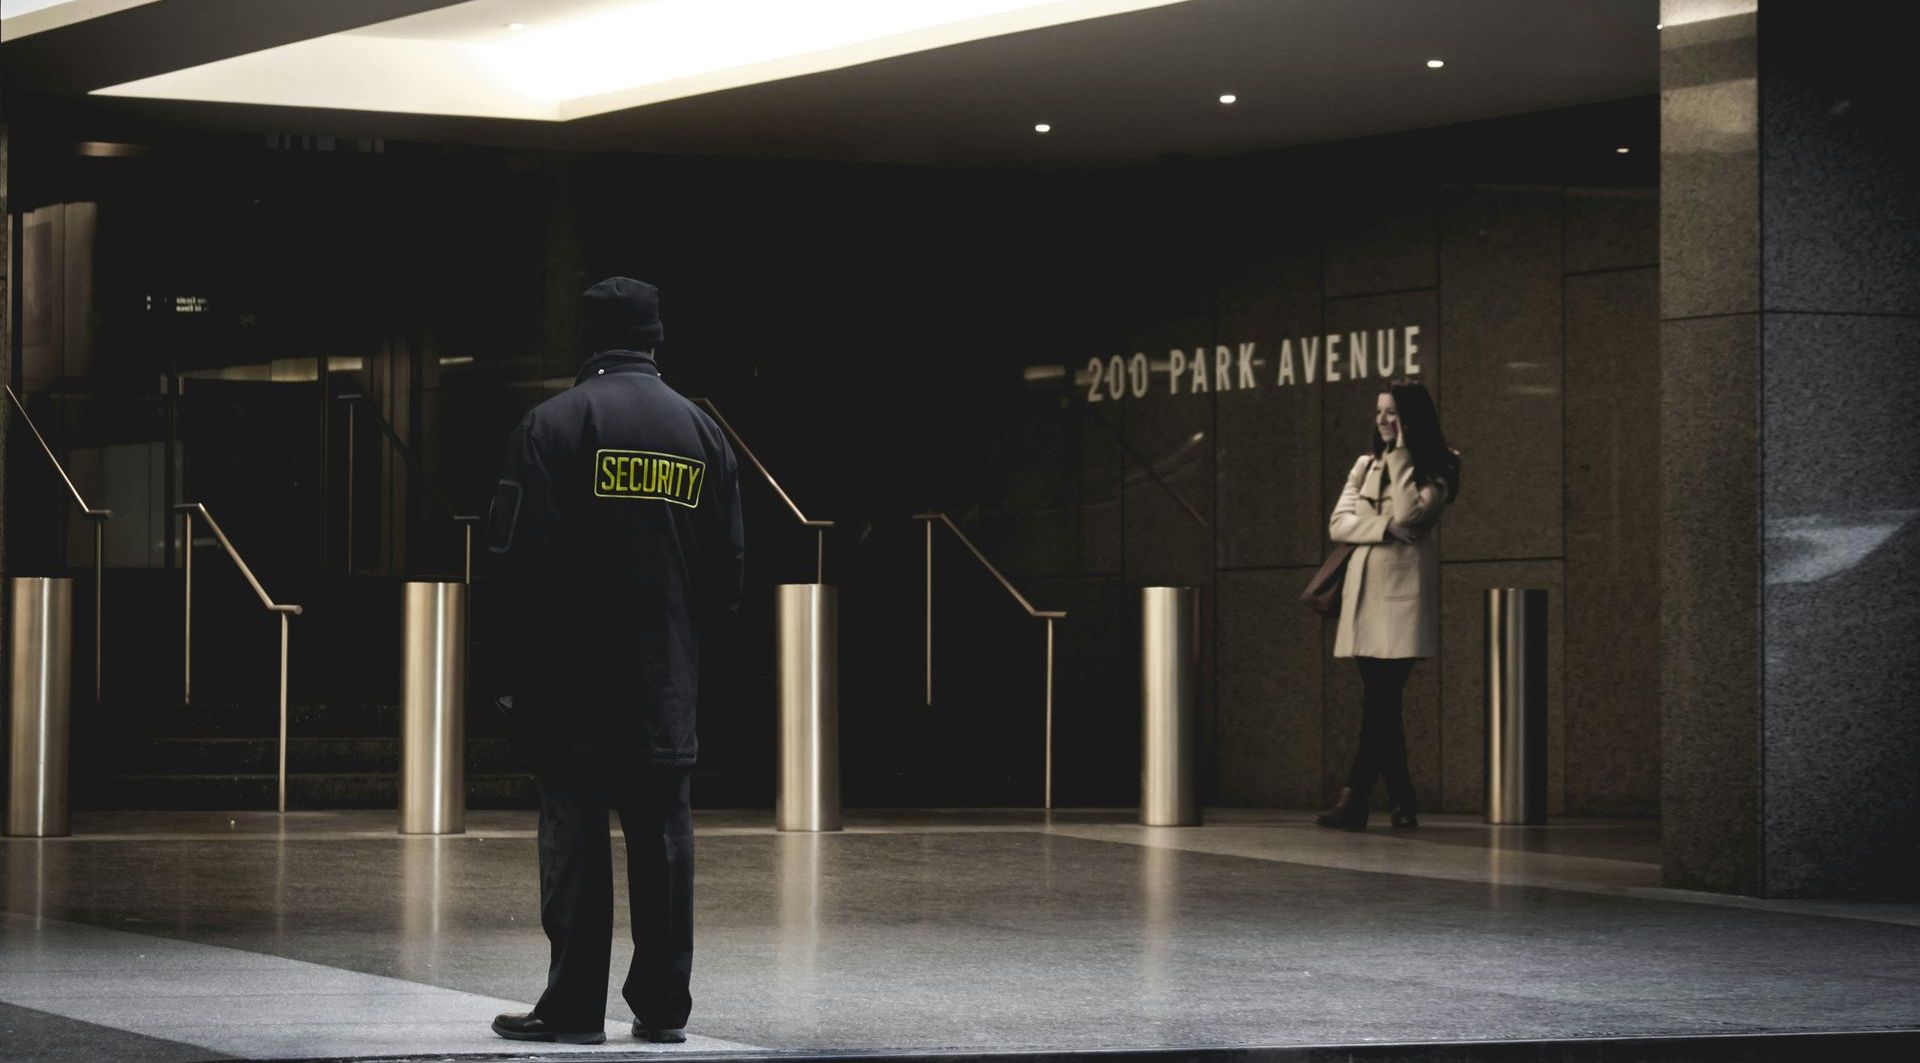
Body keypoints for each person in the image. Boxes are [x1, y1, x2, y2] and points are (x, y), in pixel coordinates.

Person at [485, 277, 745, 1045]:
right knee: (665, 842)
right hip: (665, 680)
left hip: (571, 685)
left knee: (576, 843)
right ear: (656, 337)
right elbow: (728, 575)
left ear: (588, 339)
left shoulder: (552, 424)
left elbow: (515, 564)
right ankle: (663, 1008)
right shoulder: (703, 432)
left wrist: (510, 676)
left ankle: (572, 1008)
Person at [1317, 378, 1460, 831]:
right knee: (1382, 703)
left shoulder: (1441, 465)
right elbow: (1338, 525)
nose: (1382, 420)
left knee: (1380, 701)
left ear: (1411, 418)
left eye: (1392, 412)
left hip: (1401, 602)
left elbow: (1414, 516)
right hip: (1363, 599)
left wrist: (1400, 457)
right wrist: (1383, 529)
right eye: (1379, 411)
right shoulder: (1364, 464)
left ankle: (1355, 798)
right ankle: (1401, 800)